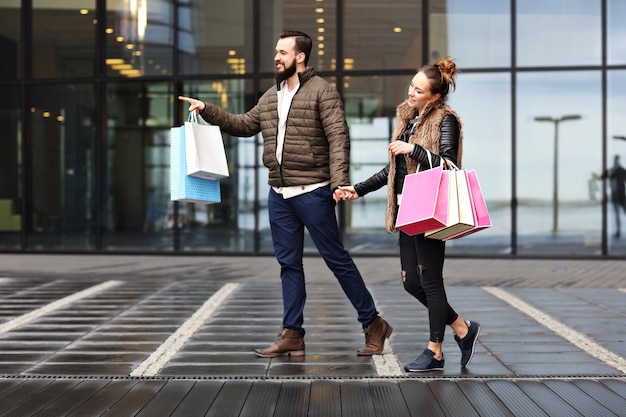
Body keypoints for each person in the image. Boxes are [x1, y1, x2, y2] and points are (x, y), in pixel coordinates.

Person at [178, 31, 392, 358]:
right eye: (276, 52)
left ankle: (373, 323)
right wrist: (207, 109)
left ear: (300, 57)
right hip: (278, 194)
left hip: (313, 192)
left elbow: (338, 139)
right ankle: (292, 333)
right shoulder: (270, 97)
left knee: (337, 260)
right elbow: (243, 125)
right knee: (288, 264)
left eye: (282, 52)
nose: (276, 57)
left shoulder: (323, 92)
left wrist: (338, 183)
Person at [335, 58, 480, 372]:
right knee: (410, 282)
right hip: (407, 211)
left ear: (434, 96)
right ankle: (462, 330)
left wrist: (412, 149)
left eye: (419, 90)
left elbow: (448, 165)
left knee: (430, 281)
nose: (411, 93)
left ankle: (436, 351)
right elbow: (394, 170)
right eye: (411, 86)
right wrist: (357, 189)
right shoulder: (407, 120)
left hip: (431, 210)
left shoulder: (446, 120)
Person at [607, 154, 626, 238]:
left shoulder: (621, 170)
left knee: (620, 214)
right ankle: (618, 231)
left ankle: (618, 231)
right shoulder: (612, 170)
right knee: (617, 215)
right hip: (615, 196)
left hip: (622, 196)